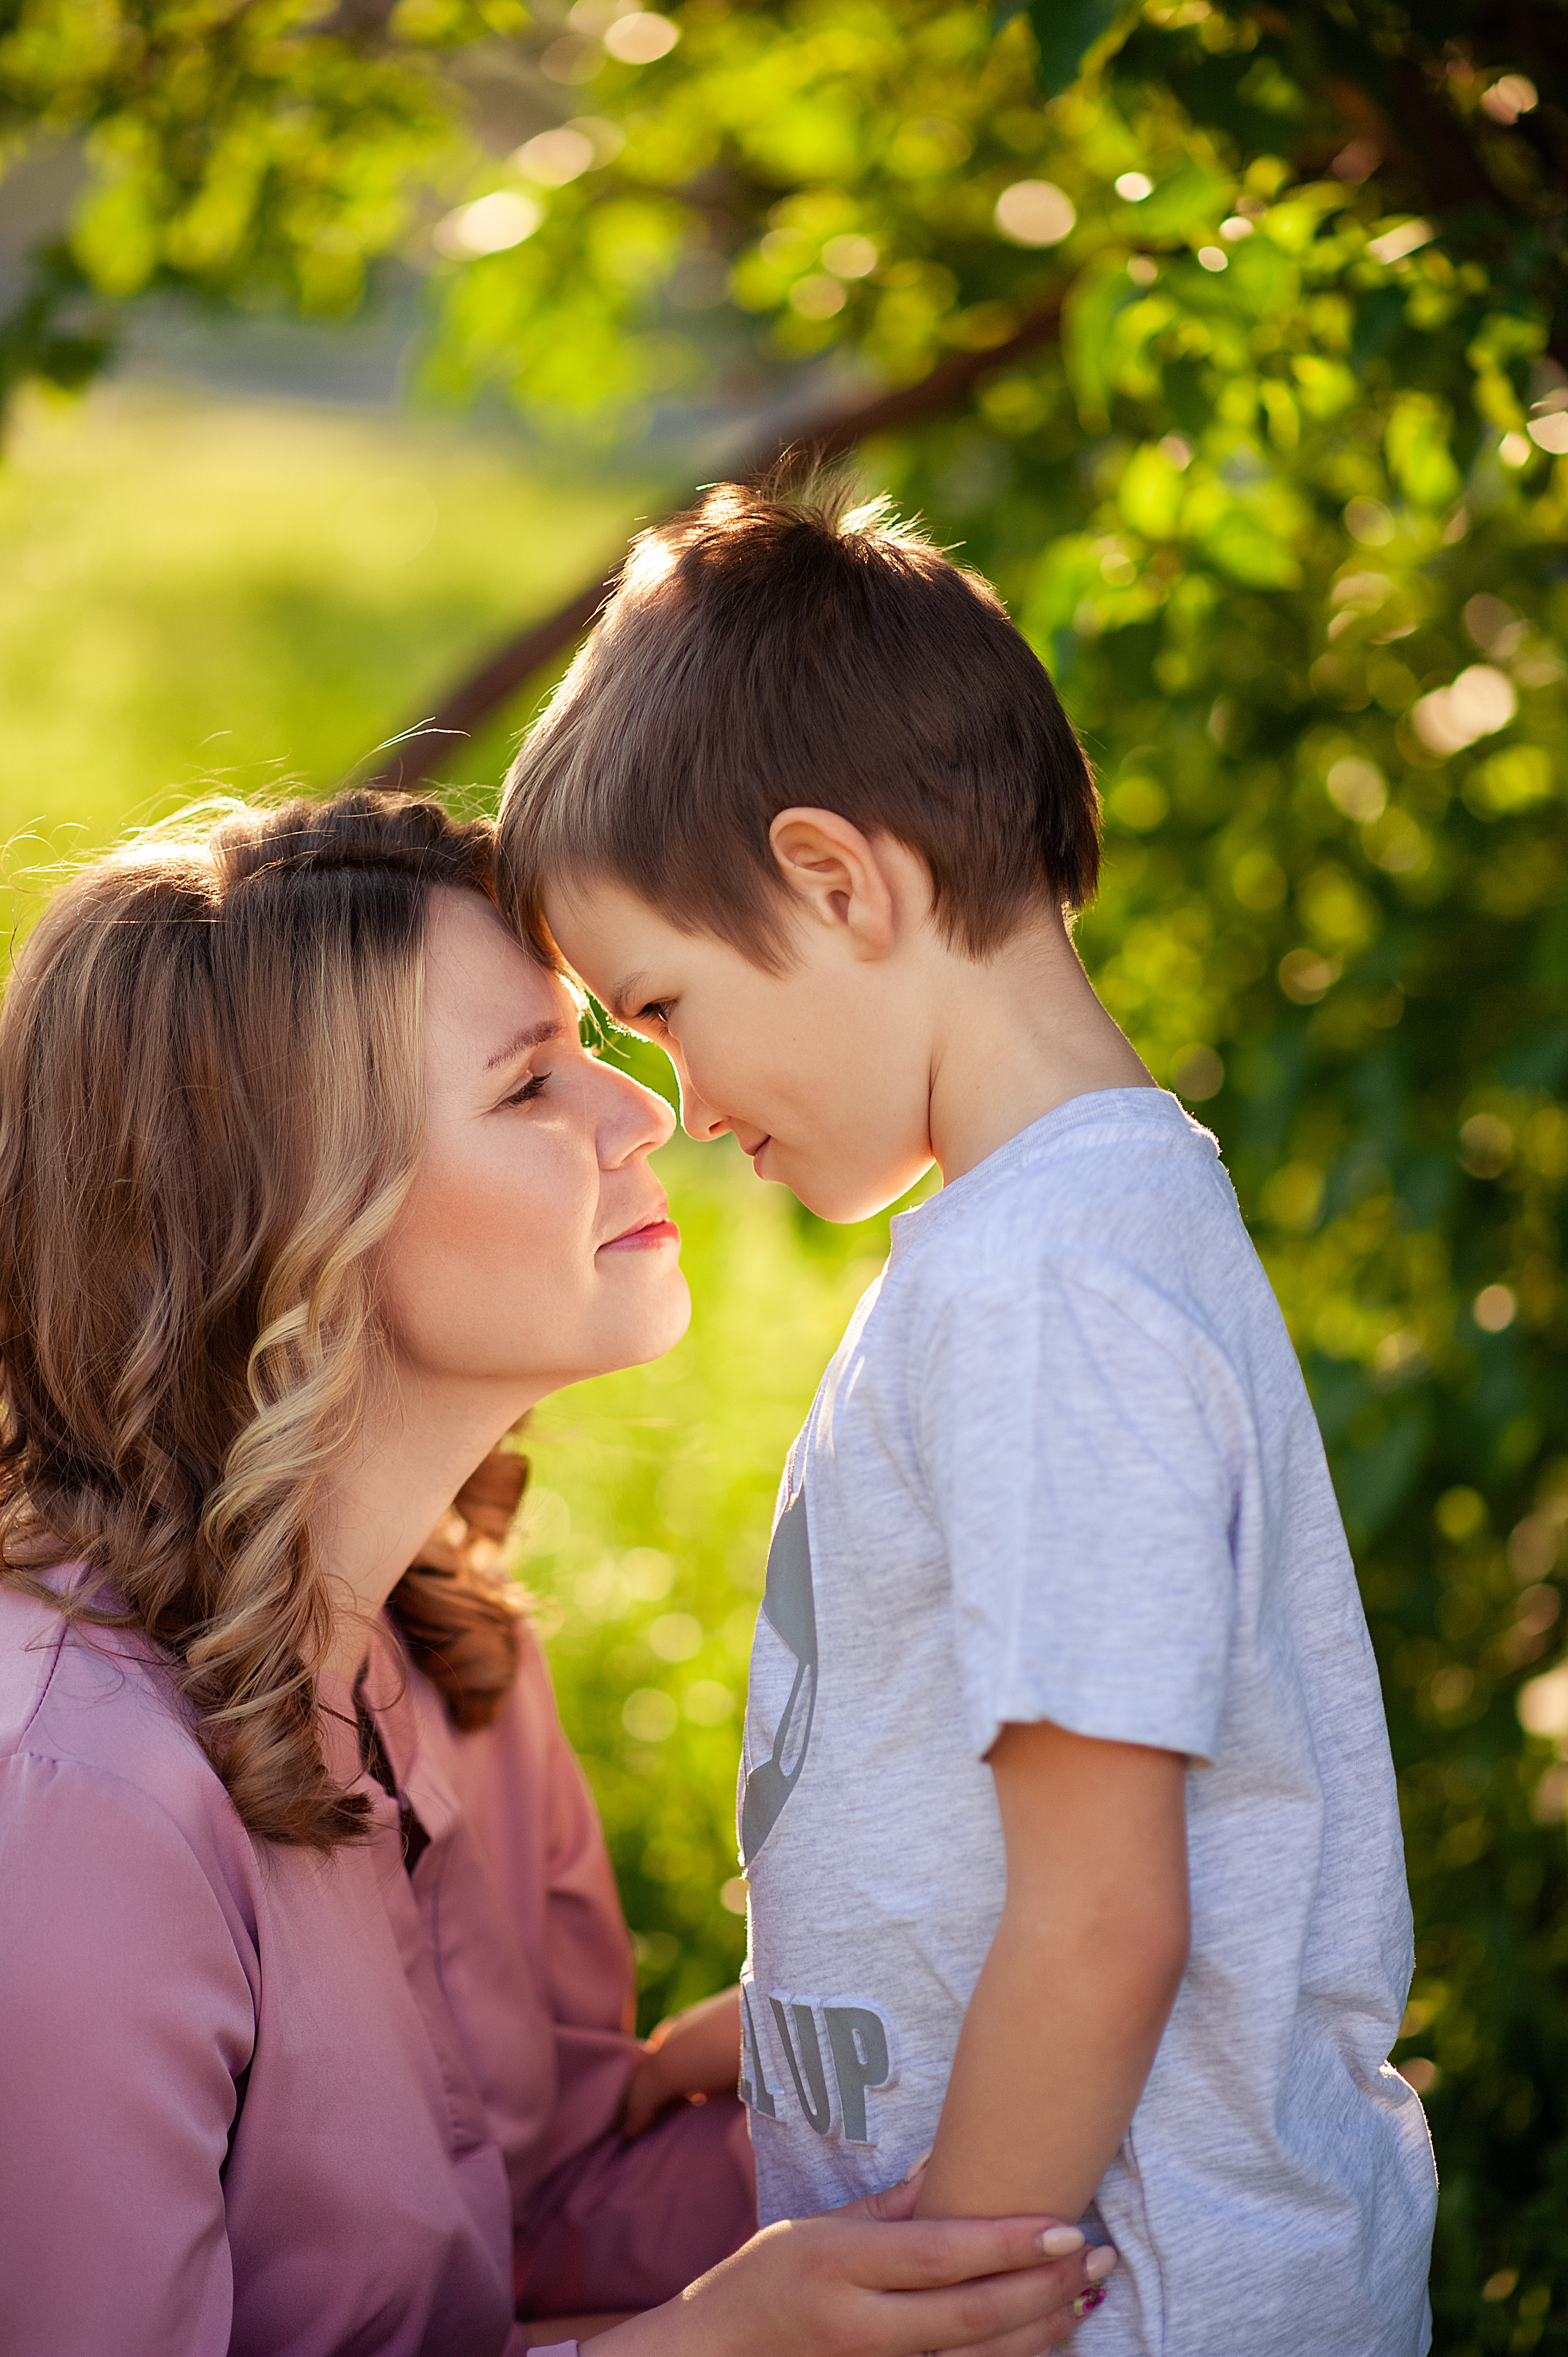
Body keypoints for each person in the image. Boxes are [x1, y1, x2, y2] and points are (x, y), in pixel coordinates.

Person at [494, 474, 1441, 2355]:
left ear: (840, 880)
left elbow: (1103, 1923)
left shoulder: (1046, 1295)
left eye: (663, 1010)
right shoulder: (1064, 1237)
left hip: (1124, 2306)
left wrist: (946, 2294)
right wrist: (777, 2033)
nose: (676, 1103)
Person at [0, 789, 1109, 2356]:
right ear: (296, 1222)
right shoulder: (72, 1814)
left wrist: (908, 2068)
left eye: (590, 1041)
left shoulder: (448, 1654)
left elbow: (534, 2213)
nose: (643, 1111)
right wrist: (714, 2347)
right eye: (530, 1086)